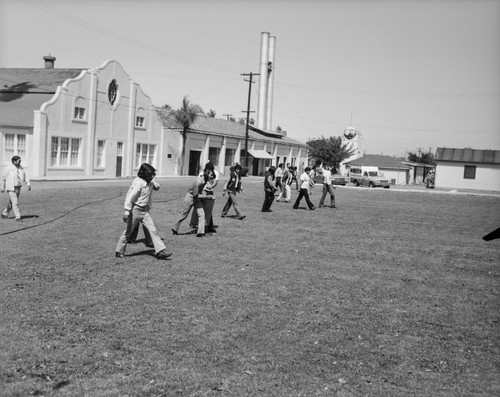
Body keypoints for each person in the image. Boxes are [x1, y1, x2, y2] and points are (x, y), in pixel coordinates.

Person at [115, 163, 172, 259]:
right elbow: (130, 197)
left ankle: (160, 251)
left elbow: (157, 187)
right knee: (128, 232)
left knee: (153, 230)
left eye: (153, 175)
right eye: (151, 174)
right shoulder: (138, 183)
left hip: (145, 211)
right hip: (136, 210)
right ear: (144, 174)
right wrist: (126, 212)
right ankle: (119, 251)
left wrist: (153, 180)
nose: (153, 176)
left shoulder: (149, 181)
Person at [189, 162, 218, 233]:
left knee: (207, 209)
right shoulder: (202, 173)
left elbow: (215, 182)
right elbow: (197, 183)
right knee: (203, 209)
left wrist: (211, 187)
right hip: (202, 192)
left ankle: (207, 226)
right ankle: (200, 224)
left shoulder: (215, 173)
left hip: (207, 192)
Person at [1, 156, 31, 221]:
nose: (20, 162)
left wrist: (28, 184)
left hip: (18, 188)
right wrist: (2, 187)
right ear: (14, 161)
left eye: (20, 161)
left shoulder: (21, 168)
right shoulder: (8, 168)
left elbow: (26, 176)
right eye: (18, 161)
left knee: (12, 203)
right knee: (15, 202)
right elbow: (3, 178)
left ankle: (4, 214)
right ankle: (18, 217)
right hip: (11, 188)